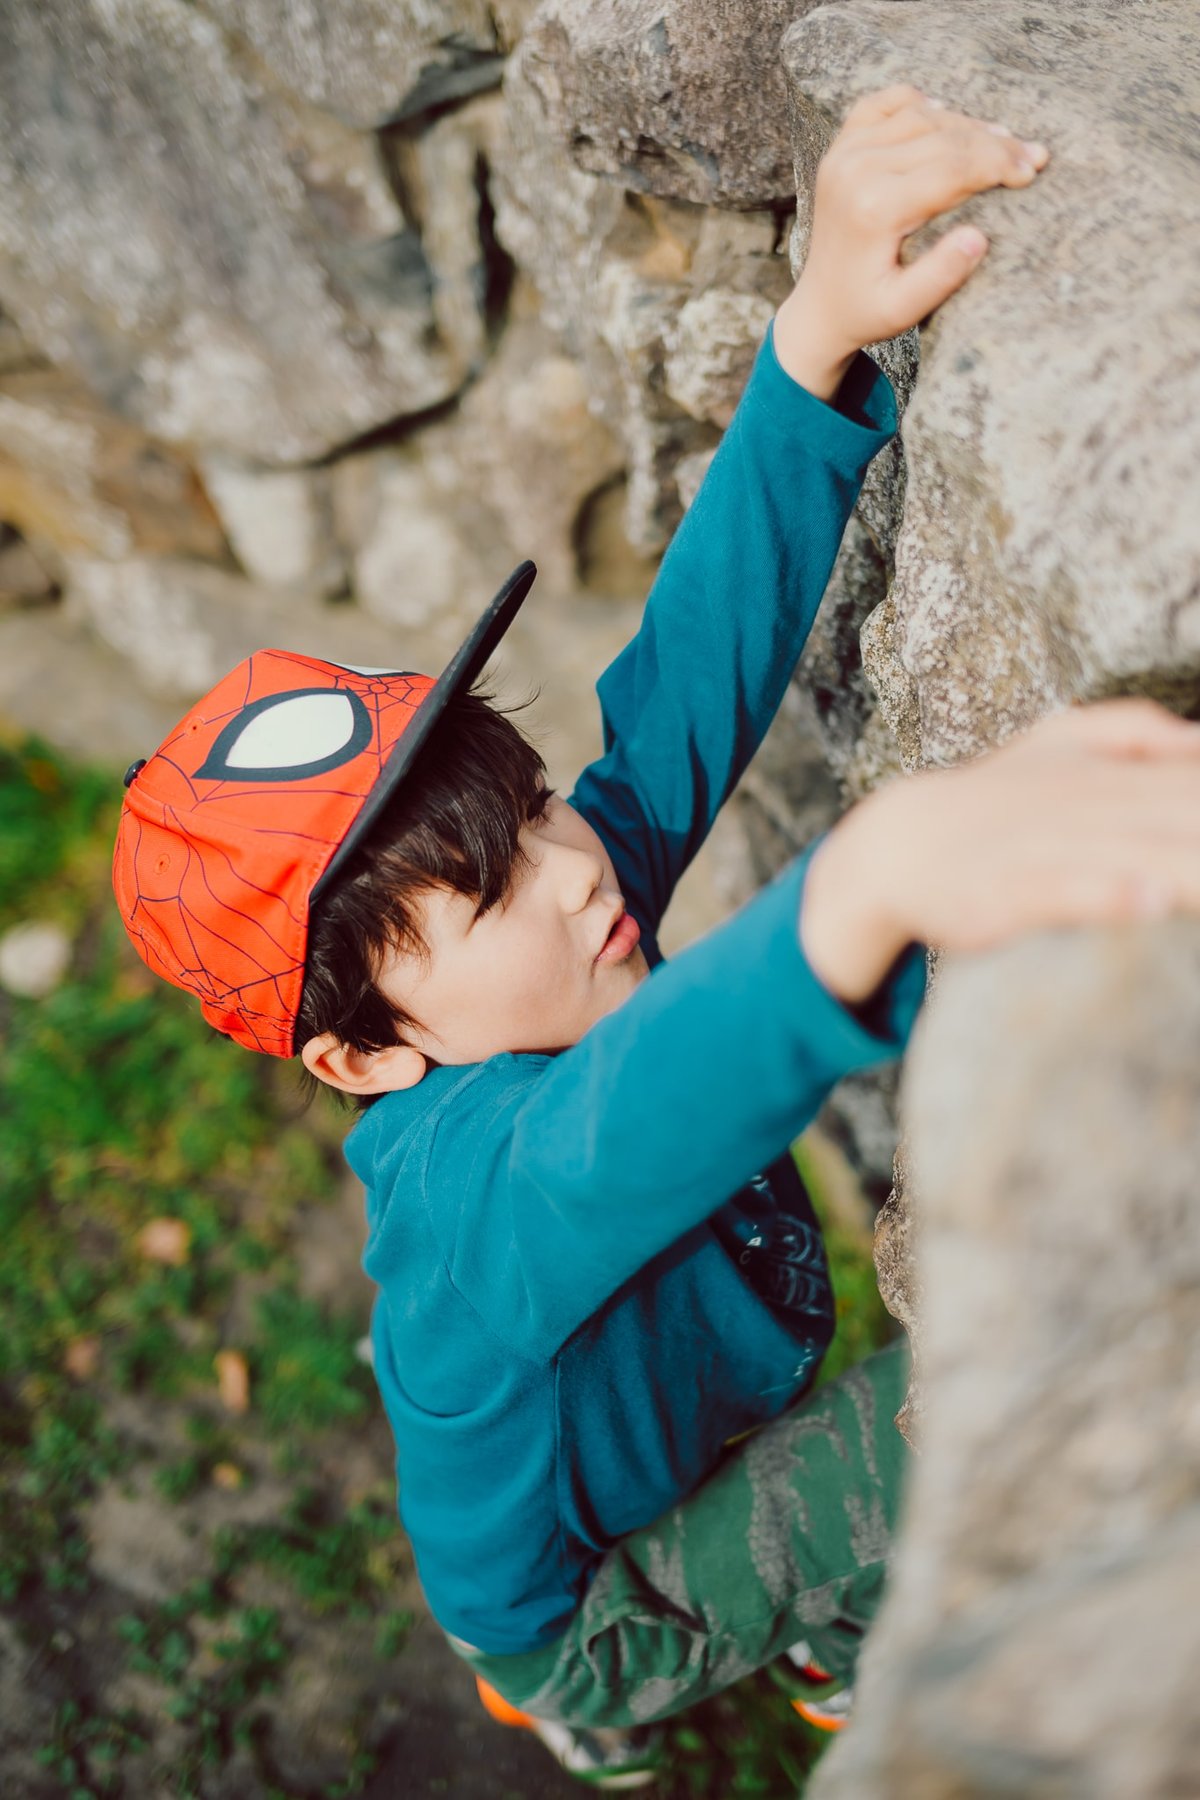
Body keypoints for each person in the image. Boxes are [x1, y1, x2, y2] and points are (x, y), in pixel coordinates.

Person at [113, 88, 1200, 1788]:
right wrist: (878, 874)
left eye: (532, 805)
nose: (564, 866)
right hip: (596, 1602)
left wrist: (815, 342)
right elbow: (626, 1128)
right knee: (957, 1417)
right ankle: (637, 1705)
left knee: (885, 982)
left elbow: (680, 706)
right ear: (367, 1059)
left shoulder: (550, 913)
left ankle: (831, 1635)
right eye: (482, 890)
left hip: (705, 1402)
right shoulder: (480, 1208)